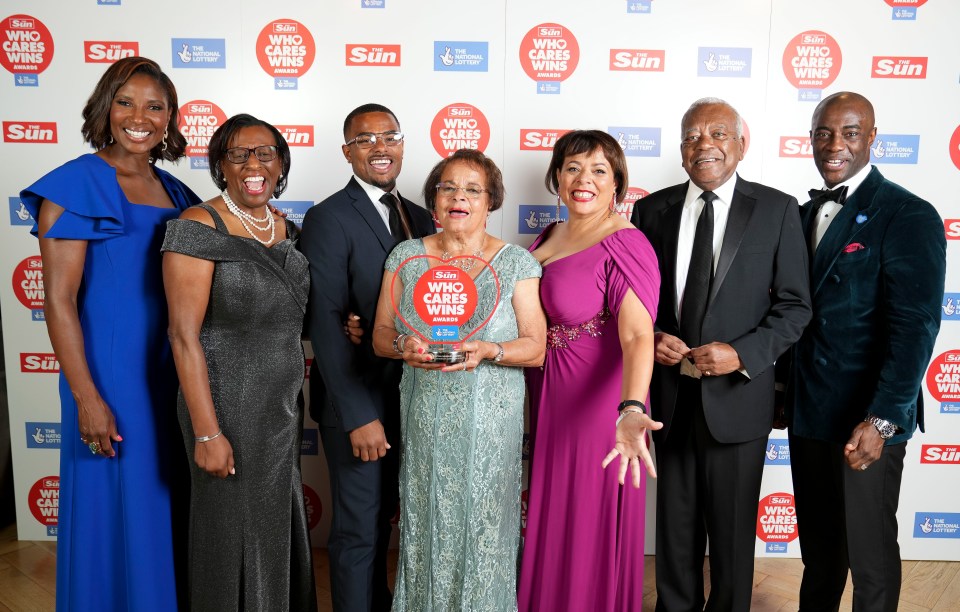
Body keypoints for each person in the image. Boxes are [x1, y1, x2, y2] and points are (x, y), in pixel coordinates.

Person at [19, 56, 199, 611]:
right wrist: (87, 398)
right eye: (126, 102)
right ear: (106, 107)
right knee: (115, 499)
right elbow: (58, 300)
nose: (139, 116)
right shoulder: (74, 186)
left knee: (163, 500)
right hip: (108, 371)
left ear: (169, 117)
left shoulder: (176, 192)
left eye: (155, 106)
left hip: (170, 368)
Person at [631, 97, 811, 611]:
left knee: (732, 536)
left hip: (738, 398)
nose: (703, 145)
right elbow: (637, 303)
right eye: (691, 137)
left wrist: (742, 353)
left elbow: (795, 307)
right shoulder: (651, 210)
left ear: (740, 143)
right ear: (681, 149)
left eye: (716, 134)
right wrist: (656, 334)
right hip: (670, 400)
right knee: (674, 530)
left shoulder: (777, 210)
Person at [786, 91, 946, 611]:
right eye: (824, 133)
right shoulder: (802, 212)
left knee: (871, 558)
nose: (836, 144)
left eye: (850, 132)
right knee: (820, 555)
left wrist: (882, 420)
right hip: (810, 414)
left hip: (867, 419)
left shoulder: (907, 212)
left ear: (872, 137)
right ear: (810, 139)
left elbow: (916, 327)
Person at [371, 148, 546, 610]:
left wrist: (490, 350)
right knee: (426, 522)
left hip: (490, 428)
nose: (458, 197)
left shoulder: (517, 264)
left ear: (491, 201)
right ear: (433, 199)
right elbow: (381, 336)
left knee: (483, 529)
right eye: (448, 187)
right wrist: (402, 347)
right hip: (425, 417)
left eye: (472, 189)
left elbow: (535, 347)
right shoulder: (406, 257)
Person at [162, 113, 316, 611]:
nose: (254, 164)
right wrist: (208, 433)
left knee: (273, 527)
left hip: (281, 410)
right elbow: (183, 337)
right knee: (227, 534)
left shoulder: (287, 229)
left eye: (265, 153)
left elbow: (289, 319)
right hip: (224, 408)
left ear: (281, 165)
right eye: (239, 154)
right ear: (221, 166)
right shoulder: (197, 226)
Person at [519, 130, 663, 612]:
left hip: (597, 407)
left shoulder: (626, 243)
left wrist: (631, 408)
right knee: (552, 520)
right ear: (557, 177)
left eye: (599, 170)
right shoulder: (549, 235)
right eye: (573, 167)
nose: (585, 180)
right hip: (547, 399)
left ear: (617, 183)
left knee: (584, 525)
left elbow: (638, 336)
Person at [300, 103, 435, 611]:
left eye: (390, 136)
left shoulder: (421, 217)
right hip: (359, 404)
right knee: (359, 532)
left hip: (417, 401)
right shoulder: (328, 216)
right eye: (365, 139)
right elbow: (325, 323)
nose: (380, 147)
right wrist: (358, 416)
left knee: (389, 528)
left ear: (402, 144)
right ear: (346, 151)